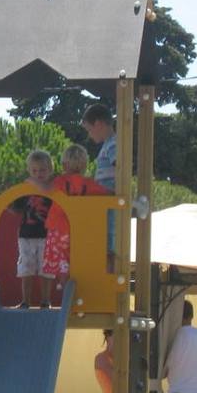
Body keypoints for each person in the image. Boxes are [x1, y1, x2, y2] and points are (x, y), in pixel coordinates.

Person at [42, 144, 111, 294]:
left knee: (62, 260)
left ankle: (63, 284)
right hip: (79, 230)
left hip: (58, 228)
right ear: (85, 165)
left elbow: (44, 189)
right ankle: (75, 291)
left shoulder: (58, 182)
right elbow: (107, 195)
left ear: (64, 164)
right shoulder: (89, 184)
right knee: (78, 259)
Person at [10, 150, 53, 309]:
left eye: (42, 170)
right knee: (25, 268)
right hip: (26, 235)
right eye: (34, 170)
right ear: (29, 171)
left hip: (47, 235)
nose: (38, 174)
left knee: (46, 268)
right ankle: (25, 301)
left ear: (50, 170)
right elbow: (15, 207)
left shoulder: (52, 190)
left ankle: (46, 300)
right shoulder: (25, 190)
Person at [81, 104, 116, 270]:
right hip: (104, 199)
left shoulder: (113, 144)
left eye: (89, 130)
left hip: (109, 201)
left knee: (108, 239)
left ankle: (108, 270)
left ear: (98, 124)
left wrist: (111, 193)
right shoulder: (107, 144)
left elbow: (120, 167)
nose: (89, 135)